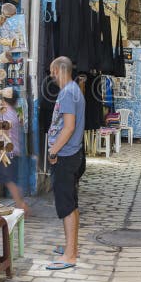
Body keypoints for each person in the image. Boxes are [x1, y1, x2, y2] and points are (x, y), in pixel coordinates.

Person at [46, 56, 86, 270]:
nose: (51, 74)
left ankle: (70, 255)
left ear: (59, 70)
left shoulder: (69, 93)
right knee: (71, 203)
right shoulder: (72, 91)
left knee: (66, 206)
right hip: (70, 154)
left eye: (52, 70)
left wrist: (54, 150)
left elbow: (68, 127)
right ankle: (72, 247)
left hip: (65, 156)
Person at [0, 94, 30, 215]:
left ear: (5, 100)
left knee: (9, 181)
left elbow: (2, 131)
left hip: (6, 152)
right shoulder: (13, 112)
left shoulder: (6, 113)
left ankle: (21, 205)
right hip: (7, 151)